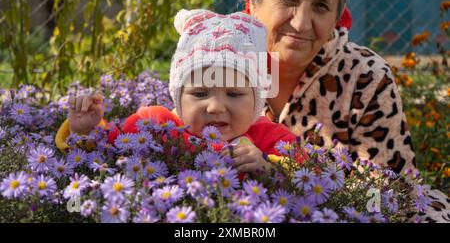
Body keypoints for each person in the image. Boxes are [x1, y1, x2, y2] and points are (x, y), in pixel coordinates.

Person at [243, 0, 449, 221]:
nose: (301, 23)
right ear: (253, 2)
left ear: (336, 18)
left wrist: (283, 177)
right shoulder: (223, 64)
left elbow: (391, 193)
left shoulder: (365, 77)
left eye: (321, 6)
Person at [55, 9, 305, 174]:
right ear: (178, 96)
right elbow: (107, 152)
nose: (216, 106)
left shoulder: (270, 139)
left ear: (256, 100)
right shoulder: (153, 124)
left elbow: (313, 177)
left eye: (234, 94)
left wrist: (270, 170)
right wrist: (87, 129)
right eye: (199, 93)